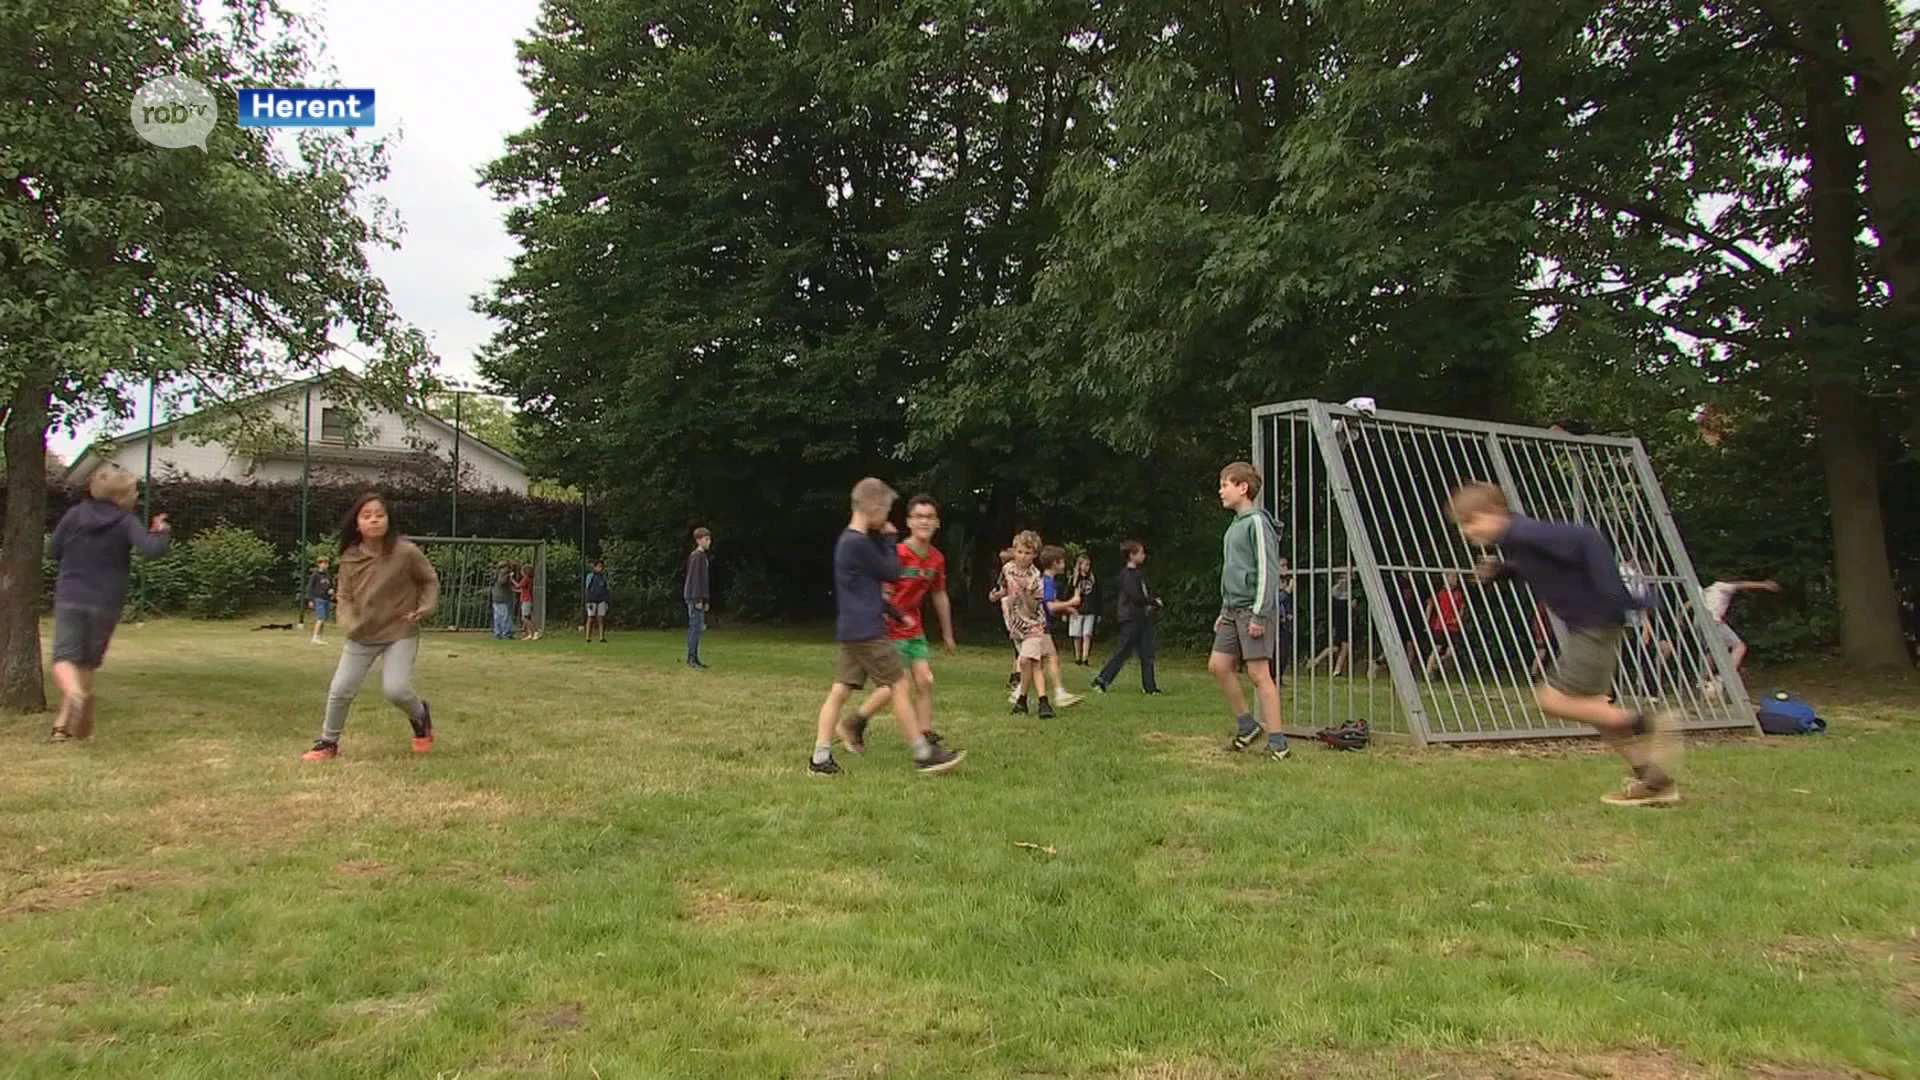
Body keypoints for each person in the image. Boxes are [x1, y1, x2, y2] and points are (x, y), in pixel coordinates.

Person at [1448, 481, 1677, 807]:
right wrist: (1504, 571)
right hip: (1592, 624)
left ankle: (1646, 723)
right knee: (1598, 711)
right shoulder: (1516, 542)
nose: (1468, 532)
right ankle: (1656, 783)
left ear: (1497, 512)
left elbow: (1586, 538)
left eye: (1472, 522)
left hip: (1593, 624)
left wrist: (1619, 594)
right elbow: (1548, 568)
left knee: (1551, 700)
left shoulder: (1524, 533)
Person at [808, 479, 964, 776]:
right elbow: (890, 572)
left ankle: (819, 758)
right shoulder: (858, 542)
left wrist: (895, 612)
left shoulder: (849, 542)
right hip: (867, 631)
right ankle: (922, 753)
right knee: (899, 686)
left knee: (840, 691)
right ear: (872, 506)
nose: (888, 516)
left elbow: (864, 590)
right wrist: (887, 540)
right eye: (887, 509)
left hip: (851, 628)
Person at [302, 493, 438, 761]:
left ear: (388, 520)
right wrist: (348, 620)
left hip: (400, 632)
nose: (374, 520)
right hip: (362, 635)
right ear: (357, 524)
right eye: (367, 516)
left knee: (396, 690)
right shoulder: (349, 558)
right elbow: (344, 596)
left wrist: (425, 607)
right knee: (340, 689)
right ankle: (328, 743)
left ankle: (420, 716)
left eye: (379, 515)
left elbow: (429, 580)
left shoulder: (405, 551)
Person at [45, 466, 171, 741]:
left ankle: (73, 699)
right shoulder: (126, 521)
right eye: (135, 491)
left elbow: (52, 551)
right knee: (87, 663)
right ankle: (63, 725)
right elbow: (151, 550)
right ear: (121, 497)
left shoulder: (74, 514)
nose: (137, 495)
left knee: (64, 658)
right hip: (106, 600)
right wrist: (160, 531)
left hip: (71, 594)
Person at [840, 494, 957, 752]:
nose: (924, 521)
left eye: (929, 517)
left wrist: (947, 633)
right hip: (891, 628)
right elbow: (881, 591)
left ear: (937, 522)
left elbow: (939, 594)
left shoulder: (936, 559)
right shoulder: (899, 553)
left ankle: (925, 733)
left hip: (913, 628)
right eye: (918, 516)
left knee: (925, 680)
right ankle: (855, 722)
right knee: (895, 686)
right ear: (909, 522)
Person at [1212, 462, 1289, 761]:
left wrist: (1259, 614)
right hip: (1232, 610)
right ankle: (1247, 725)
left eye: (1225, 485)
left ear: (1243, 488)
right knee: (1218, 666)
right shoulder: (1235, 525)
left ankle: (1278, 742)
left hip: (1252, 611)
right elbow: (1232, 572)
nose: (1221, 491)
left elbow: (1268, 572)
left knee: (1259, 674)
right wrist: (1224, 608)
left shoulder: (1257, 522)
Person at [1090, 540, 1163, 694]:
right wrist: (1153, 601)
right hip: (1131, 617)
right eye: (1141, 553)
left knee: (1147, 652)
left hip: (1142, 617)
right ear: (1131, 555)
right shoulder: (1127, 575)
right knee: (1123, 650)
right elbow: (1136, 597)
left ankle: (1149, 686)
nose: (1144, 556)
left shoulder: (1138, 574)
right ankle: (1102, 679)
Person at [1001, 531, 1059, 717]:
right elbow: (1003, 586)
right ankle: (1028, 702)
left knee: (1026, 660)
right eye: (1019, 552)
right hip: (1016, 624)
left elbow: (1034, 607)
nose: (1023, 557)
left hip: (1034, 624)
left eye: (1027, 553)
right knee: (1031, 664)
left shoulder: (1036, 577)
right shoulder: (1008, 568)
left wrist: (1026, 592)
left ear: (1034, 555)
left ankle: (1033, 701)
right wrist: (997, 595)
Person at [1698, 576, 1778, 682]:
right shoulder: (1721, 586)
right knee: (1739, 646)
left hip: (1700, 622)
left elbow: (1689, 603)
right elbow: (1741, 584)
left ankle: (1702, 681)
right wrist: (1763, 585)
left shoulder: (1707, 590)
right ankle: (1725, 678)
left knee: (1712, 651)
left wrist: (1680, 617)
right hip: (1714, 621)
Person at [1036, 546, 1085, 709]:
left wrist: (1067, 608)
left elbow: (1050, 604)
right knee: (1051, 658)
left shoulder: (1046, 580)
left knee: (1039, 663)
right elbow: (1049, 607)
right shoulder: (1048, 581)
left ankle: (1019, 693)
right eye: (1062, 561)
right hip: (1042, 626)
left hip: (1040, 626)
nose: (1064, 564)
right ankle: (1059, 693)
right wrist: (1071, 602)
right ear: (1054, 563)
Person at [1304, 568, 1355, 675]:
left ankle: (1337, 669)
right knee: (1335, 647)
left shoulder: (1347, 590)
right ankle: (1315, 661)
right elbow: (1339, 601)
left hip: (1345, 620)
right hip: (1338, 621)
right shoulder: (1336, 589)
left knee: (1345, 646)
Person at [1423, 571, 1467, 676]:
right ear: (1446, 579)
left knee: (1451, 651)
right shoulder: (1440, 592)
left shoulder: (1458, 593)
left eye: (1456, 577)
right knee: (1437, 647)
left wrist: (1458, 619)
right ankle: (1428, 671)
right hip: (1440, 625)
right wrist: (1427, 621)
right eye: (1453, 577)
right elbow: (1430, 605)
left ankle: (1438, 663)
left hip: (1453, 626)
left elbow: (1462, 607)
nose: (1455, 580)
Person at [684, 527, 712, 669]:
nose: (709, 542)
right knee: (694, 628)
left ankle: (695, 657)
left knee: (698, 628)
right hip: (694, 598)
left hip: (699, 597)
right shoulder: (696, 557)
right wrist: (697, 599)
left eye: (709, 539)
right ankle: (691, 658)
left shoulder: (703, 557)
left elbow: (704, 581)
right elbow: (695, 580)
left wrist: (706, 599)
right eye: (706, 539)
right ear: (698, 540)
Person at [1068, 552, 1098, 665]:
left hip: (1090, 610)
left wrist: (1098, 612)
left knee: (1087, 635)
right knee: (1077, 635)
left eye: (1088, 565)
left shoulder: (1093, 579)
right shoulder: (1074, 580)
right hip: (1077, 611)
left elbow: (1097, 595)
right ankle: (1078, 657)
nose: (1087, 567)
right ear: (1079, 565)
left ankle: (1085, 658)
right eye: (1084, 565)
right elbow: (1067, 595)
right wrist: (1066, 611)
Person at [307, 556, 334, 645]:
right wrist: (310, 600)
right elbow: (310, 588)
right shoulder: (315, 575)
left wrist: (331, 590)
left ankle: (319, 637)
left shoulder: (328, 575)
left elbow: (330, 586)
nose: (325, 565)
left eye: (326, 563)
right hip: (318, 599)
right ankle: (314, 637)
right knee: (320, 618)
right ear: (319, 564)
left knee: (324, 618)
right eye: (323, 563)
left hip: (326, 598)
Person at [584, 559, 611, 642]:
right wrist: (588, 601)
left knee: (601, 618)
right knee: (591, 618)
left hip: (601, 600)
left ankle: (601, 637)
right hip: (592, 600)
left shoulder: (603, 577)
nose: (600, 568)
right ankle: (588, 637)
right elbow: (587, 589)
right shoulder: (590, 576)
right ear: (594, 567)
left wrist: (606, 601)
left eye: (601, 567)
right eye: (599, 566)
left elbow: (606, 589)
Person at [489, 562, 516, 640]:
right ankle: (506, 633)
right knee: (505, 617)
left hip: (497, 597)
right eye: (507, 567)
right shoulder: (502, 575)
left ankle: (498, 633)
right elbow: (502, 582)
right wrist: (509, 577)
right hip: (503, 598)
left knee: (498, 617)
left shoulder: (495, 575)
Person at [514, 563, 538, 639]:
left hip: (526, 600)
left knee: (524, 618)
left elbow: (518, 585)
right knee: (527, 617)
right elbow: (523, 590)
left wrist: (511, 579)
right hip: (527, 599)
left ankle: (535, 632)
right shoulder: (529, 579)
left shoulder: (525, 579)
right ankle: (530, 634)